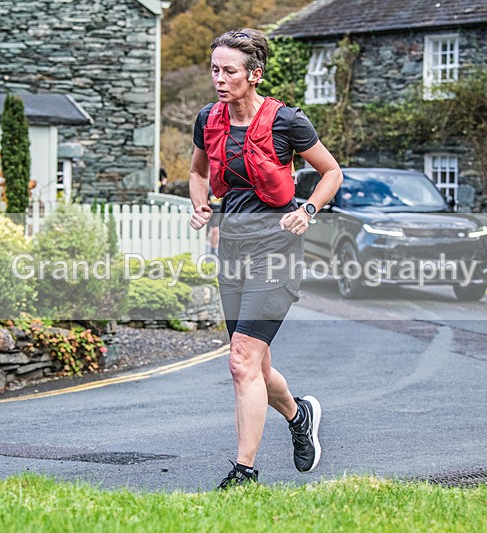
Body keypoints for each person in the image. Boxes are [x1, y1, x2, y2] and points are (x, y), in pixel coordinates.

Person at [188, 28, 342, 489]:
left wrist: (308, 209)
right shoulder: (206, 119)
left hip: (276, 250)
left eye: (229, 71)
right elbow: (198, 172)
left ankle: (244, 473)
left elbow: (331, 172)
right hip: (232, 250)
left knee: (240, 361)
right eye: (214, 69)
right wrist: (199, 204)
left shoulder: (287, 122)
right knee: (257, 366)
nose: (219, 78)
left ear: (254, 75)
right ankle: (299, 416)